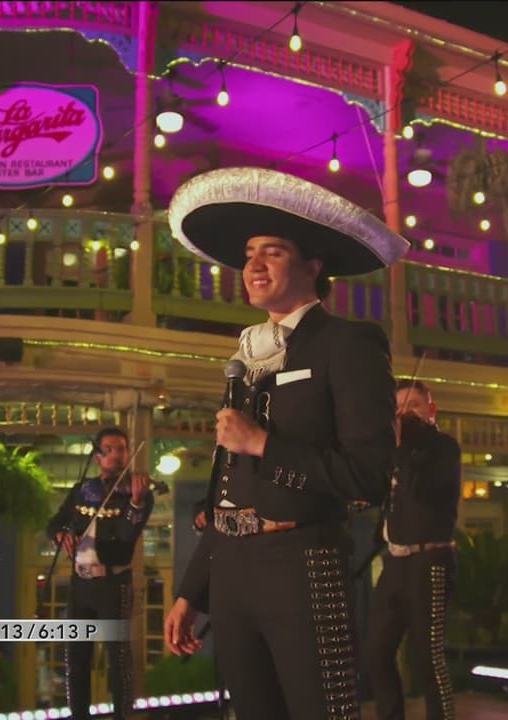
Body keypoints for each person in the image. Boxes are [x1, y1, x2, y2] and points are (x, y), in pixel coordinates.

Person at [161, 166, 406, 719]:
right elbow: (226, 496)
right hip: (233, 572)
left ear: (313, 266)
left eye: (271, 252)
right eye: (249, 254)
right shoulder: (245, 355)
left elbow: (368, 477)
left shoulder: (350, 345)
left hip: (302, 562)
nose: (252, 266)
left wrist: (264, 445)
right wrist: (191, 591)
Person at [365, 379, 462, 720]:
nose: (405, 414)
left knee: (427, 657)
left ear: (430, 410)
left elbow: (423, 489)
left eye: (413, 406)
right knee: (377, 652)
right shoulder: (395, 450)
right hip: (395, 560)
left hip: (430, 558)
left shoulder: (443, 448)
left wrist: (406, 442)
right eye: (398, 409)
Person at [46, 427, 154, 719]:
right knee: (77, 658)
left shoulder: (138, 492)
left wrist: (134, 502)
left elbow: (126, 535)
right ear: (97, 456)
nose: (118, 455)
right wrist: (60, 536)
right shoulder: (83, 489)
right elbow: (55, 522)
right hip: (81, 583)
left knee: (117, 658)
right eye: (110, 449)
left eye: (122, 449)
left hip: (113, 583)